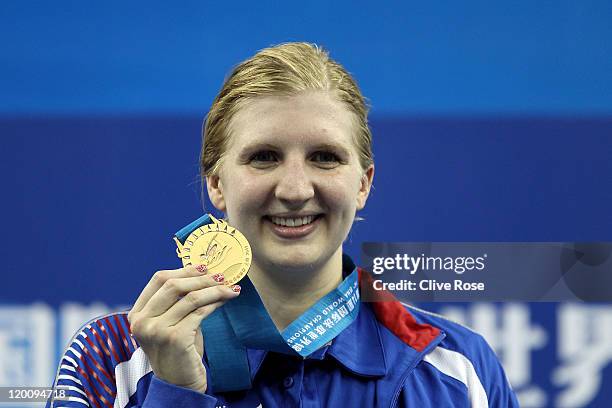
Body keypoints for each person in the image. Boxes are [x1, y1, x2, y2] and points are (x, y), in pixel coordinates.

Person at [47, 42, 519, 407]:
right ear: (216, 184)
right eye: (264, 157)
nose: (295, 189)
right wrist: (176, 394)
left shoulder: (458, 368)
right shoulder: (112, 358)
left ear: (363, 184)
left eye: (325, 158)